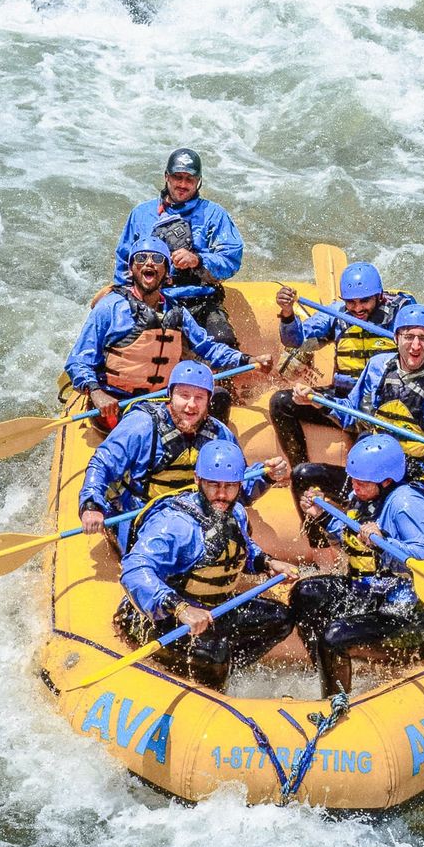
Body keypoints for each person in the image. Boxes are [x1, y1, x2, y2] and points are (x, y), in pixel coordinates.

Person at [116, 441, 299, 690]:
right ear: (198, 480)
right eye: (214, 485)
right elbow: (134, 569)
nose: (222, 495)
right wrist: (180, 609)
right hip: (163, 618)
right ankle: (210, 676)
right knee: (215, 655)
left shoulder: (236, 513)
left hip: (214, 609)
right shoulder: (174, 524)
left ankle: (224, 670)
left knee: (281, 618)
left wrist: (266, 563)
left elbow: (238, 550)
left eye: (230, 486)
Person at [288, 304, 424, 505]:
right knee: (303, 475)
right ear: (396, 337)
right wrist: (318, 402)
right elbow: (352, 413)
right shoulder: (378, 366)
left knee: (396, 510)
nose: (415, 345)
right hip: (376, 472)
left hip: (423, 478)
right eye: (409, 336)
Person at [291, 435, 424, 697]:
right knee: (305, 593)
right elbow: (355, 542)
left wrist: (385, 542)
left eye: (360, 482)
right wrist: (322, 518)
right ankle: (328, 671)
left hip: (411, 617)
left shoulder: (406, 504)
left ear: (386, 481)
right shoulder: (366, 494)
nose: (353, 486)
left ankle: (335, 702)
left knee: (333, 638)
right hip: (373, 596)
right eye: (353, 478)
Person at [79, 360, 289, 550]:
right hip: (143, 511)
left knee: (236, 529)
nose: (191, 405)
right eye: (184, 395)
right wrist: (91, 505)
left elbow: (235, 489)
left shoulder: (219, 434)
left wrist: (265, 475)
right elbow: (102, 464)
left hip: (193, 513)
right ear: (171, 395)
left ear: (209, 401)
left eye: (199, 397)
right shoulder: (142, 425)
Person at [66, 235, 267, 429]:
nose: (149, 263)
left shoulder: (176, 312)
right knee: (142, 425)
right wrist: (95, 392)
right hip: (116, 403)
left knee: (219, 397)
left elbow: (208, 348)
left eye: (157, 259)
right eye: (141, 258)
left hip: (161, 400)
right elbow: (78, 360)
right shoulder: (110, 307)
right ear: (131, 269)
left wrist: (247, 360)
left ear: (167, 274)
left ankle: (203, 453)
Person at [268, 261, 424, 470]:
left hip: (382, 403)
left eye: (364, 301)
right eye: (351, 302)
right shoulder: (337, 313)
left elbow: (422, 341)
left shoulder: (400, 314)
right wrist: (288, 314)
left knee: (370, 453)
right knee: (281, 403)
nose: (357, 309)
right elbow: (295, 340)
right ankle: (301, 471)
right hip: (343, 398)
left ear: (379, 296)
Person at [113, 148, 243, 347]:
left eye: (189, 179)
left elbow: (231, 260)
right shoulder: (141, 214)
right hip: (151, 301)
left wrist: (198, 260)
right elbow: (124, 263)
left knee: (222, 341)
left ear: (198, 181)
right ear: (167, 177)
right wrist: (126, 302)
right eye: (177, 177)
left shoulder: (214, 214)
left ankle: (221, 375)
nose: (183, 185)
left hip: (200, 301)